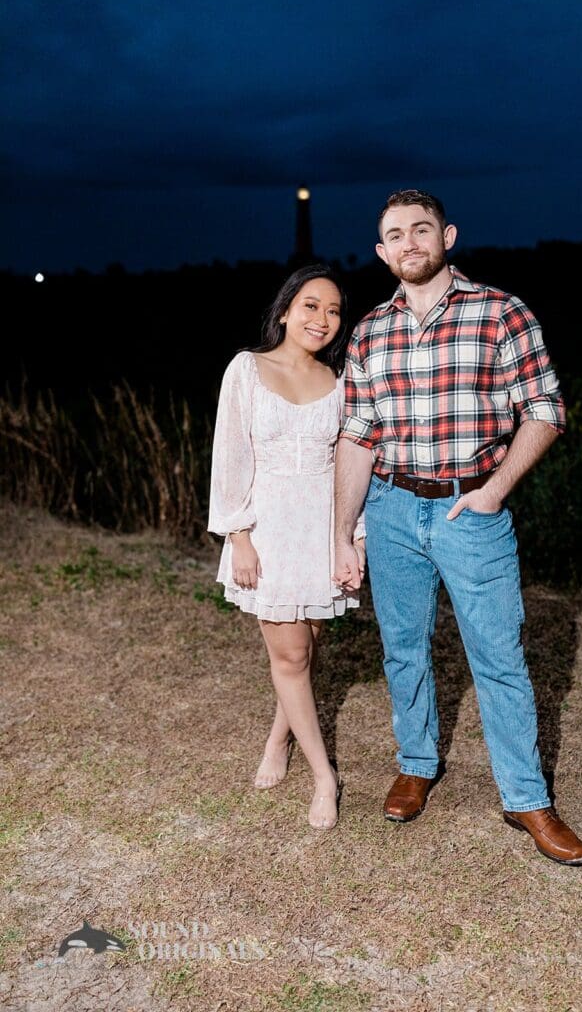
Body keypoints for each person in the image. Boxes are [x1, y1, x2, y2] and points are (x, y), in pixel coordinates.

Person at [333, 190, 582, 866]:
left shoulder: (500, 312)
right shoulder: (369, 331)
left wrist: (494, 489)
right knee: (402, 648)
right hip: (390, 508)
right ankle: (417, 763)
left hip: (469, 510)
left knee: (498, 657)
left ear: (446, 236)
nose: (409, 243)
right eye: (395, 235)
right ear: (382, 252)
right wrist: (343, 531)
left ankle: (526, 798)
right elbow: (357, 435)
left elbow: (545, 409)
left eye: (421, 229)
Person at [208, 264, 366, 830]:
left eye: (333, 311)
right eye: (310, 306)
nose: (322, 319)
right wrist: (240, 537)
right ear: (284, 311)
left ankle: (279, 738)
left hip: (322, 530)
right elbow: (230, 456)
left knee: (308, 648)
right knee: (291, 657)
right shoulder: (247, 370)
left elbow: (351, 466)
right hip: (268, 530)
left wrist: (354, 538)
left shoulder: (340, 381)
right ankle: (325, 775)